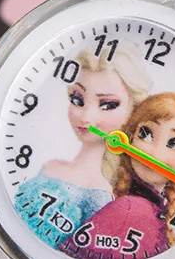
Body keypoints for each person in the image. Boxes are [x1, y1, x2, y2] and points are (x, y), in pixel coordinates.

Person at [14, 46, 151, 247]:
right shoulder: (51, 165)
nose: (86, 117)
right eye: (77, 100)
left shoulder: (104, 198)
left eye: (107, 105)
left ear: (134, 111)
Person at [60, 92, 175, 259]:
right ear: (129, 140)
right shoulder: (130, 209)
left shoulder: (144, 209)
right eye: (146, 134)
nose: (154, 153)